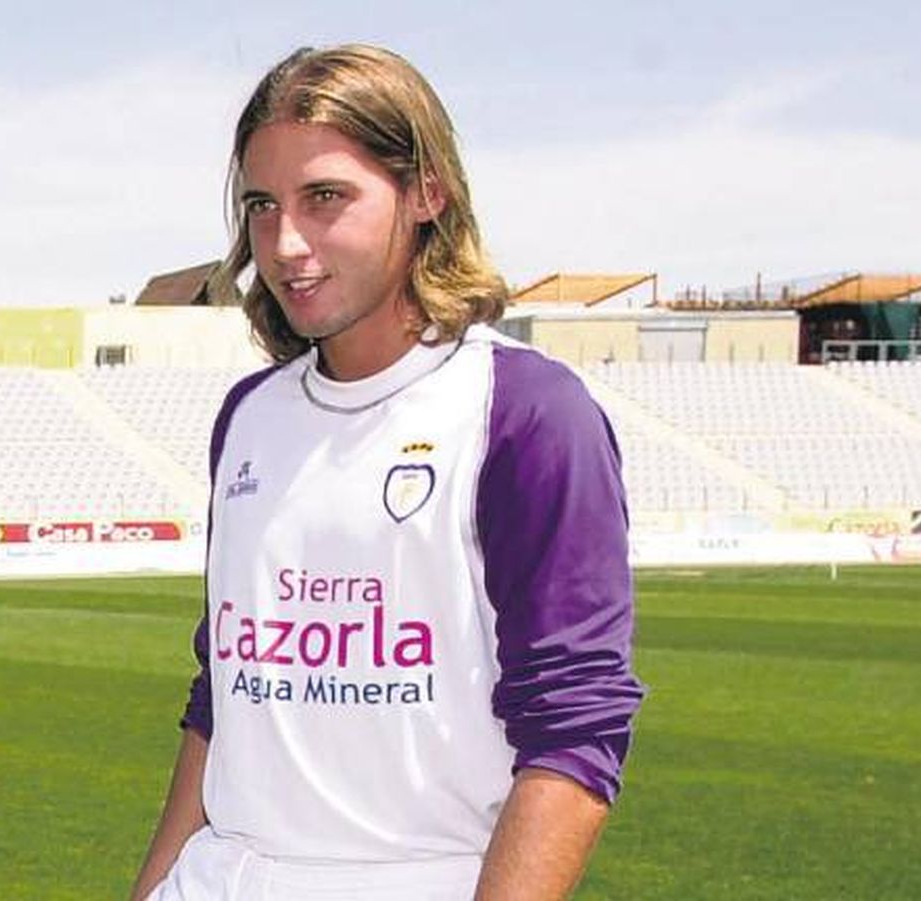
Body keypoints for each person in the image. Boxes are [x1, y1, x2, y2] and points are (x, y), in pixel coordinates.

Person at [132, 44, 645, 901]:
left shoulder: (523, 412)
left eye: (326, 197)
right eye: (263, 205)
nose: (285, 242)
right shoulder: (248, 417)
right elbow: (222, 694)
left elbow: (575, 730)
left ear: (426, 192)